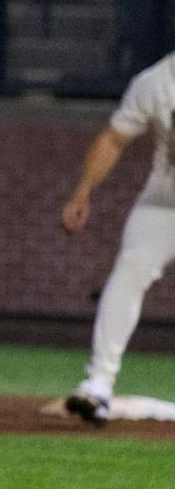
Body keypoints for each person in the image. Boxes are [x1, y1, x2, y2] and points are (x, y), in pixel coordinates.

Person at [60, 49, 175, 424]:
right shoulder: (157, 81)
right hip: (166, 201)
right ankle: (98, 386)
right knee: (130, 268)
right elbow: (114, 138)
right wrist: (82, 193)